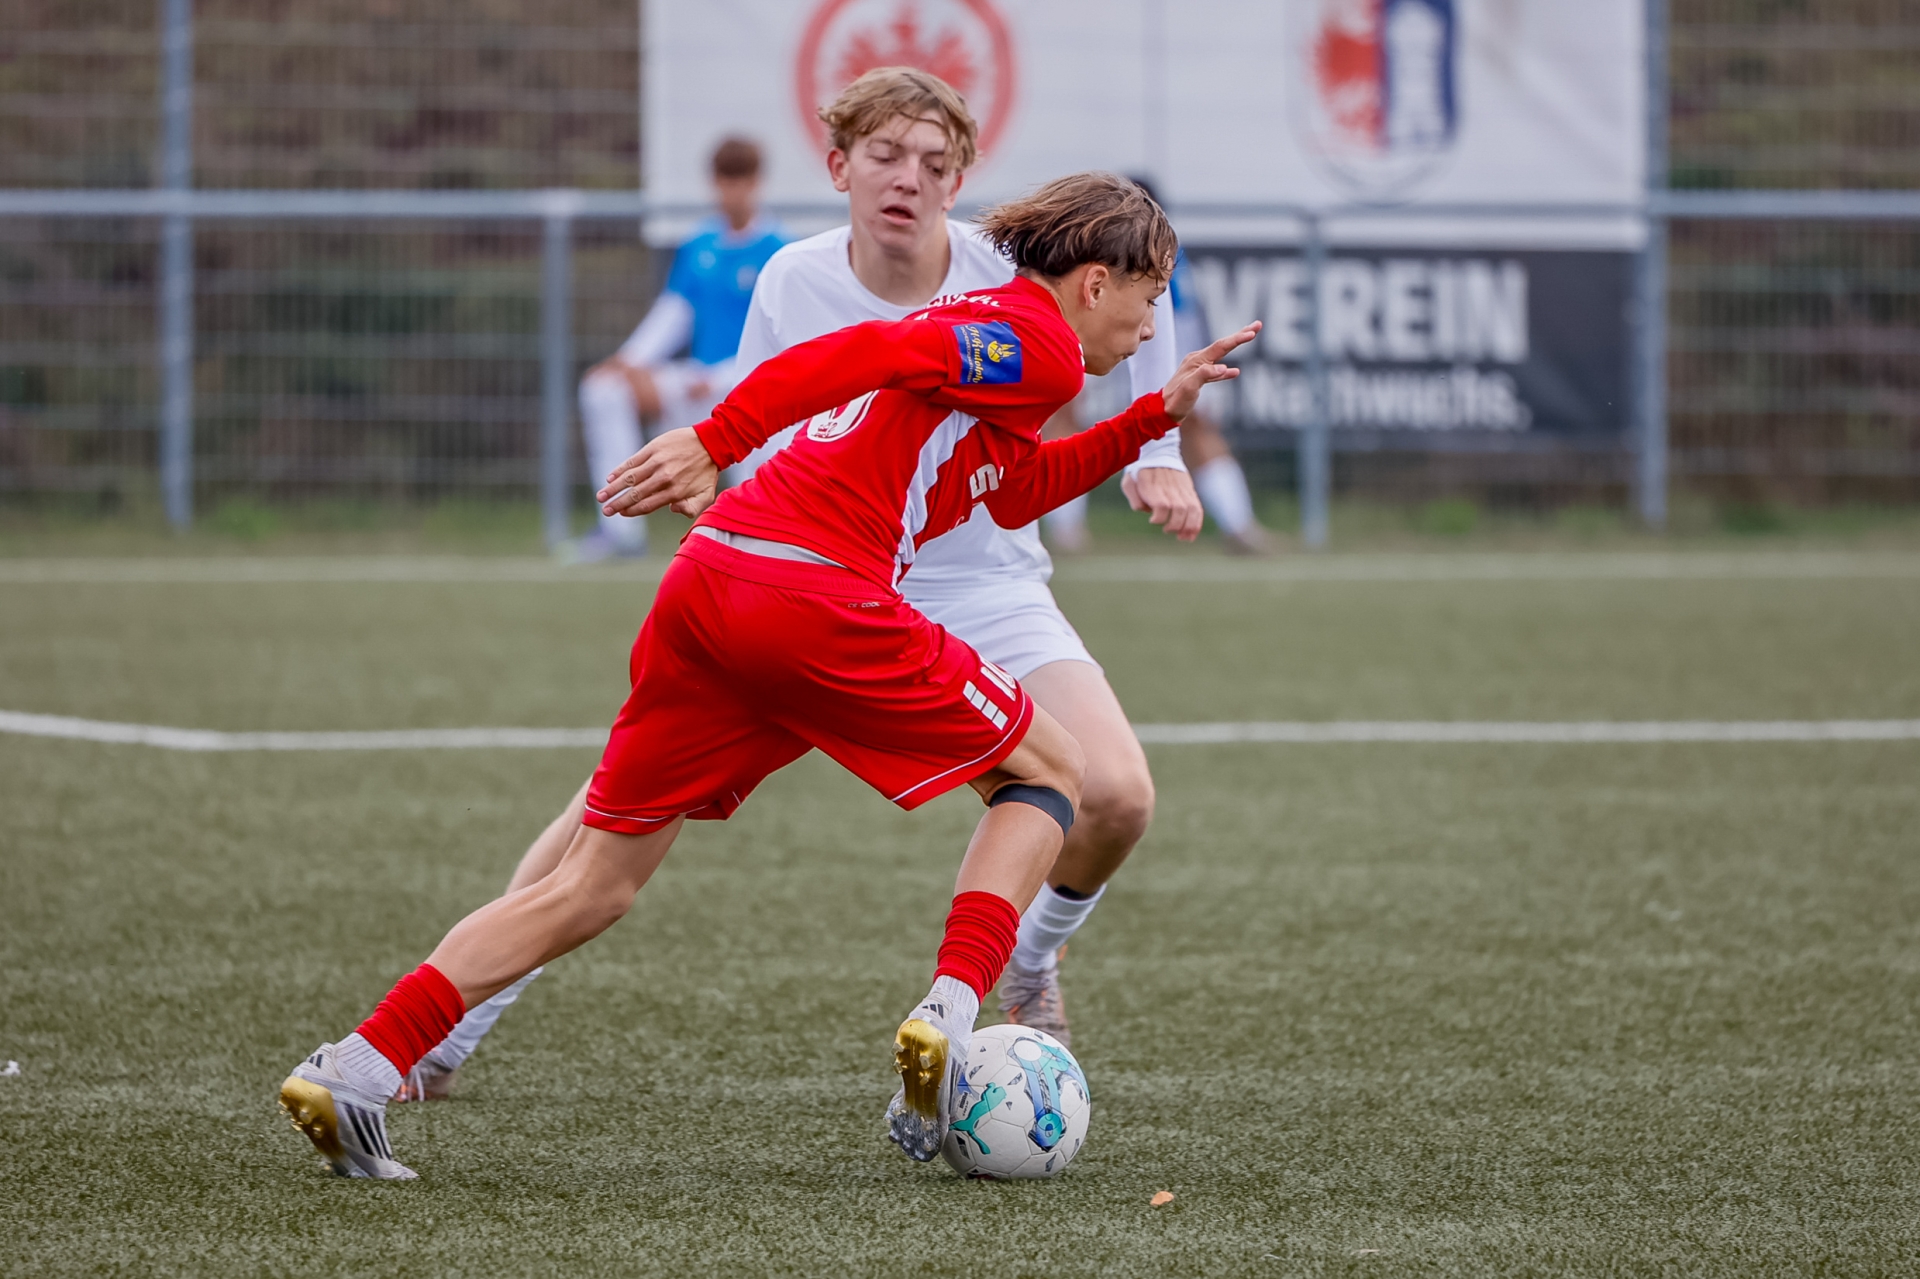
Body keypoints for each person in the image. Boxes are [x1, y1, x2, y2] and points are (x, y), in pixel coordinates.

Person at [277, 171, 1259, 1180]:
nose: (1152, 328)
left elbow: (1010, 495)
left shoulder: (1006, 351)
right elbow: (868, 349)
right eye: (1150, 299)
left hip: (713, 578)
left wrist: (1152, 418)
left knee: (594, 883)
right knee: (1054, 772)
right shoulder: (1037, 341)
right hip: (814, 592)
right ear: (1094, 283)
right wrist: (716, 437)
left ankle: (358, 1066)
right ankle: (951, 1012)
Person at [571, 136, 785, 561]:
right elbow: (674, 313)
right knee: (603, 388)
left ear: (757, 183)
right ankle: (620, 531)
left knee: (764, 484)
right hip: (692, 383)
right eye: (725, 181)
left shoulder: (779, 252)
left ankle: (769, 543)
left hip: (743, 388)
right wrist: (629, 362)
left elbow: (779, 341)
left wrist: (722, 377)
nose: (733, 192)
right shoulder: (699, 246)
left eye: (741, 181)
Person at [1132, 177, 1276, 555]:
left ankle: (1238, 525)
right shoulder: (1147, 251)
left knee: (1193, 433)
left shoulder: (1164, 250)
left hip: (1166, 353)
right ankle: (1238, 525)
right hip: (1150, 353)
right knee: (1192, 433)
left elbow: (1181, 315)